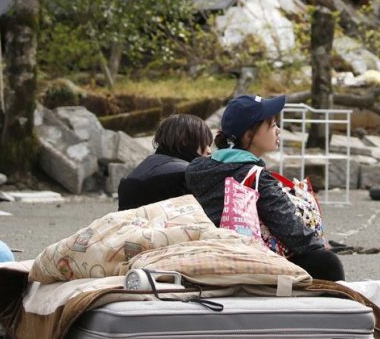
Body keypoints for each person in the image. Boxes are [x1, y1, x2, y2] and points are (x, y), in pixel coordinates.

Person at [186, 95, 345, 282]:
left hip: (207, 252)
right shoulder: (257, 178)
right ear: (248, 136)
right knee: (327, 262)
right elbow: (292, 230)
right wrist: (320, 246)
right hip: (247, 260)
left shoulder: (196, 168)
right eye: (272, 125)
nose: (278, 131)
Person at [118, 114, 212, 211]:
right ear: (185, 141)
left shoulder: (136, 174)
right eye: (204, 143)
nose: (209, 151)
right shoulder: (187, 174)